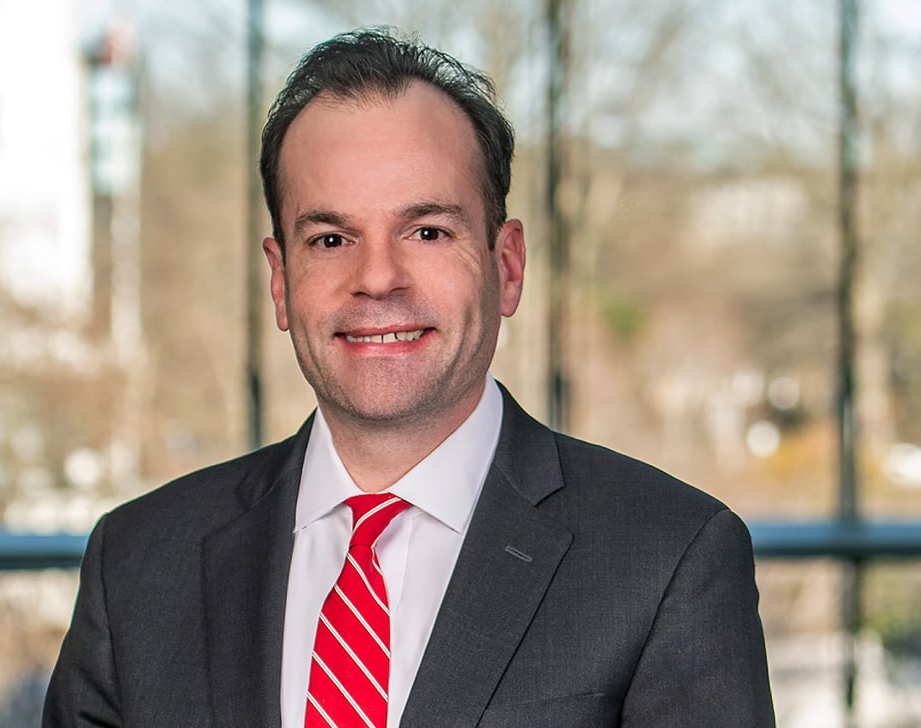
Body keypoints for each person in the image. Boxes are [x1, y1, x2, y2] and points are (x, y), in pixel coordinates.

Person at [43, 28, 775, 728]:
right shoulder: (136, 564)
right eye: (332, 239)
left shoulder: (668, 559)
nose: (377, 278)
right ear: (280, 280)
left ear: (507, 266)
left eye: (427, 232)